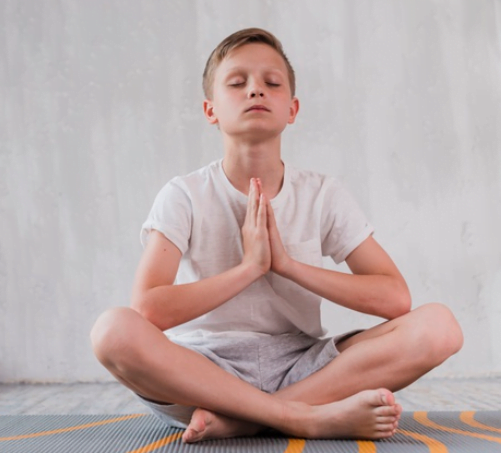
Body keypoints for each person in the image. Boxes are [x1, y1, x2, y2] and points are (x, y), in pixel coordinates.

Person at [90, 27, 463, 443]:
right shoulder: (184, 194)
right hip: (201, 374)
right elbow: (148, 309)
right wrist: (250, 268)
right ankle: (302, 418)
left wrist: (287, 266)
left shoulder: (323, 193)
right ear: (210, 110)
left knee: (440, 327)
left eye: (271, 83)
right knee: (112, 330)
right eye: (237, 83)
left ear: (292, 109)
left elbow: (395, 298)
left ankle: (248, 421)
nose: (255, 91)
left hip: (302, 365)